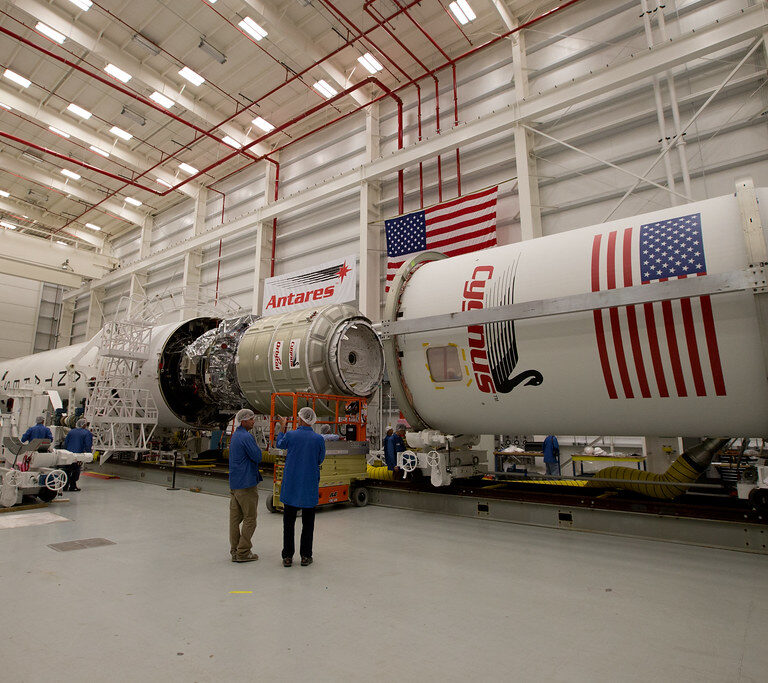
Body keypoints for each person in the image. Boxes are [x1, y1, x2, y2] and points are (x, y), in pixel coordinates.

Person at [276, 407, 325, 567]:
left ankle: (288, 557)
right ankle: (305, 556)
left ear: (302, 419)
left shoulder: (291, 435)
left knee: (288, 523)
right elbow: (320, 458)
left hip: (291, 485)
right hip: (309, 485)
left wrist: (283, 426)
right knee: (308, 524)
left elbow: (280, 444)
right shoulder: (318, 439)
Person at [228, 408, 262, 563]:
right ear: (243, 421)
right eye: (251, 419)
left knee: (235, 519)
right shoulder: (246, 437)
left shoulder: (235, 436)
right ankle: (243, 552)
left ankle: (235, 550)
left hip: (235, 484)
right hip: (246, 483)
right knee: (250, 519)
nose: (253, 421)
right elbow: (257, 456)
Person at [63, 418, 93, 492]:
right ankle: (72, 486)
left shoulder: (71, 432)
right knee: (76, 471)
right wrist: (88, 454)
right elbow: (88, 445)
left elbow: (65, 443)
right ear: (84, 425)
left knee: (67, 470)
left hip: (69, 454)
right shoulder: (87, 433)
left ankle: (65, 486)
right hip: (78, 455)